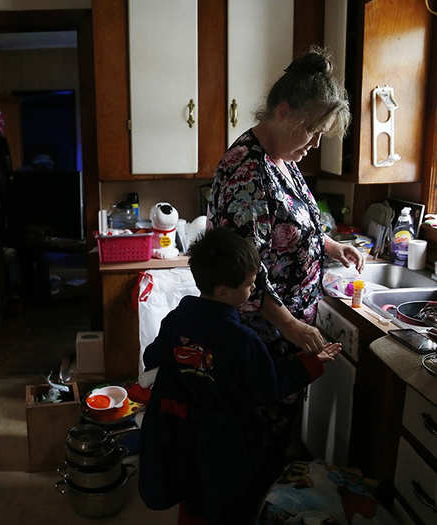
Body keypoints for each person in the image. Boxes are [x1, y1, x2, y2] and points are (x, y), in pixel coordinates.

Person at [138, 228, 341, 525]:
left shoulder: (176, 321)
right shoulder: (241, 339)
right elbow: (268, 386)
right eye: (248, 285)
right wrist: (309, 363)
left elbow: (152, 357)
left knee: (192, 493)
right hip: (226, 443)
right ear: (223, 291)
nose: (252, 289)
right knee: (227, 503)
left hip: (180, 432)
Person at [210, 46, 363, 356]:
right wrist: (291, 325)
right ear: (283, 113)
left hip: (285, 331)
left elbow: (293, 220)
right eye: (311, 130)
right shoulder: (247, 171)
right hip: (260, 338)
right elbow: (243, 271)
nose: (317, 143)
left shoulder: (282, 157)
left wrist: (330, 245)